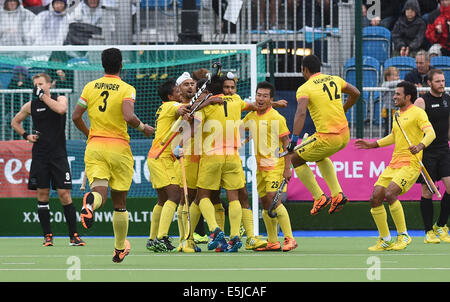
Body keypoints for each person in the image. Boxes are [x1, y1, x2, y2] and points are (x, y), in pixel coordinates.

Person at [71, 48, 154, 263]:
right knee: (120, 203)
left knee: (99, 191)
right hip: (118, 147)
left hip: (95, 145)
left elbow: (76, 116)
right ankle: (119, 249)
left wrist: (90, 134)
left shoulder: (90, 87)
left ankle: (91, 202)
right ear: (121, 65)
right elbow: (128, 115)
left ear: (102, 64)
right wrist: (143, 127)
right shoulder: (127, 88)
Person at [355, 81, 436, 251]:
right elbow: (393, 136)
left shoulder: (418, 113)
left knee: (390, 193)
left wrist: (420, 146)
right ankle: (385, 239)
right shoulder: (397, 115)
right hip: (394, 164)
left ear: (408, 97)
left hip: (410, 164)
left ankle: (404, 236)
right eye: (395, 93)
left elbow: (431, 133)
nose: (394, 96)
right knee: (375, 197)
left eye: (398, 94)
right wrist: (373, 144)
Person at [10, 72, 85, 247]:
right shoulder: (31, 105)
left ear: (50, 84)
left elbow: (61, 110)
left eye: (41, 84)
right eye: (36, 85)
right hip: (40, 156)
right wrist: (26, 135)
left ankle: (74, 236)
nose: (38, 87)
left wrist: (43, 97)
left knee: (64, 194)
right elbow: (15, 122)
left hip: (58, 155)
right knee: (42, 195)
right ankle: (48, 236)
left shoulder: (60, 99)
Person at [288, 54, 360, 216]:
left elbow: (300, 113)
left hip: (328, 138)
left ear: (304, 70)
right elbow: (355, 93)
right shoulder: (335, 79)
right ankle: (337, 194)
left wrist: (294, 140)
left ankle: (319, 197)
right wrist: (344, 109)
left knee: (295, 158)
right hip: (345, 135)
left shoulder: (305, 88)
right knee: (319, 155)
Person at [242, 81, 297, 252]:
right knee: (266, 203)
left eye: (265, 96)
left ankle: (290, 238)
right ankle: (273, 241)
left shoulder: (277, 118)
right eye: (259, 95)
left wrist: (287, 168)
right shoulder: (250, 116)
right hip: (260, 167)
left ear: (270, 99)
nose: (261, 98)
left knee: (275, 199)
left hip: (275, 165)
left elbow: (287, 144)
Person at [145, 78, 191, 253]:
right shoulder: (171, 106)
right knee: (174, 195)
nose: (180, 94)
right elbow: (182, 108)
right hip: (161, 158)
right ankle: (162, 237)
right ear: (170, 95)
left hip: (157, 157)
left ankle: (152, 238)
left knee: (162, 200)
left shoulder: (164, 107)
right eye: (178, 91)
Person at [414, 69, 450, 243]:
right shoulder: (422, 102)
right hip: (427, 153)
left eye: (443, 81)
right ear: (429, 83)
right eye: (438, 81)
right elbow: (413, 125)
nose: (442, 84)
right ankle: (428, 232)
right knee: (427, 192)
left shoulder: (447, 99)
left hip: (444, 150)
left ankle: (441, 225)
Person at [381, 66, 401, 136]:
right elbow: (384, 86)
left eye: (398, 75)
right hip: (387, 109)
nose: (398, 77)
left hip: (395, 108)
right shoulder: (385, 84)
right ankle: (385, 140)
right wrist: (399, 82)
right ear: (388, 77)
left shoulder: (397, 85)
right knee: (388, 127)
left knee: (395, 126)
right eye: (395, 76)